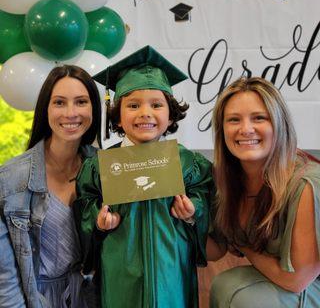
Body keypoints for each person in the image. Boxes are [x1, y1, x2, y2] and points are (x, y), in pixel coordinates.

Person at [74, 45, 213, 308]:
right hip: (120, 272)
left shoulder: (188, 164)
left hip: (171, 270)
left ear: (171, 113)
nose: (145, 113)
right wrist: (99, 220)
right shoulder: (100, 166)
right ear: (117, 115)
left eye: (156, 105)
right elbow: (84, 205)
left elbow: (205, 200)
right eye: (133, 105)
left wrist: (193, 211)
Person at [207, 76, 320, 308]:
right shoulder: (227, 180)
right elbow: (216, 250)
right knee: (223, 284)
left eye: (259, 118)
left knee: (246, 299)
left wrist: (245, 247)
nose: (245, 129)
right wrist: (179, 217)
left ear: (279, 123)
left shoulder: (306, 184)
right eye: (233, 120)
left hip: (309, 284)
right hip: (281, 278)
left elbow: (298, 279)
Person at [0, 65, 102, 308]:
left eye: (81, 102)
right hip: (36, 299)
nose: (70, 113)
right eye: (59, 102)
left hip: (92, 298)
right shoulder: (11, 178)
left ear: (94, 108)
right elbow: (5, 278)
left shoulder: (105, 169)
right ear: (45, 108)